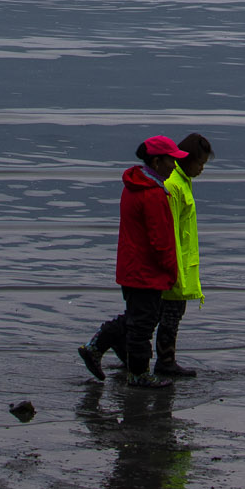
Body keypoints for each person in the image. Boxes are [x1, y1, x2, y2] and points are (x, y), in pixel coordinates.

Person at [80, 137, 188, 386]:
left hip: (131, 268)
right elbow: (161, 241)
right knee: (142, 324)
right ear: (157, 161)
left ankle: (97, 347)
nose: (174, 165)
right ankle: (137, 374)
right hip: (146, 272)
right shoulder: (152, 193)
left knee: (136, 317)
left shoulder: (134, 186)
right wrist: (172, 271)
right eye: (171, 160)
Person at [155, 133, 213, 379]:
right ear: (187, 160)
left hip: (179, 264)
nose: (201, 170)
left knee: (167, 314)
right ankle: (165, 361)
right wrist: (173, 268)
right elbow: (169, 231)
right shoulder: (174, 185)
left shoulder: (181, 181)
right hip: (173, 266)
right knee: (169, 315)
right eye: (199, 164)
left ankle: (156, 358)